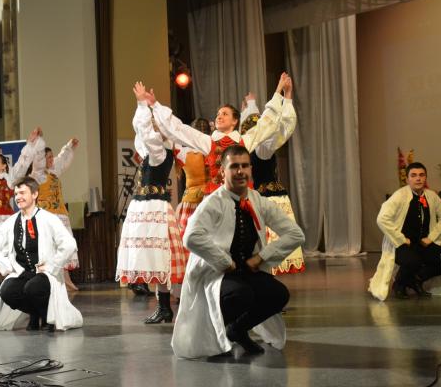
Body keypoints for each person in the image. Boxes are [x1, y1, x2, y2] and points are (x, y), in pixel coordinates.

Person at [172, 145, 304, 358]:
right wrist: (224, 261)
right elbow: (191, 237)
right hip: (217, 273)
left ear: (251, 169)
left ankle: (238, 330)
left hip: (247, 270)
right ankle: (216, 336)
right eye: (234, 166)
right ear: (222, 171)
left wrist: (262, 257)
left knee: (279, 294)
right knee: (240, 295)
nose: (240, 171)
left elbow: (295, 235)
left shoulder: (257, 200)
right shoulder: (212, 202)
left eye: (244, 166)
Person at [152, 73, 296, 195]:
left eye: (225, 114)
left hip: (242, 200)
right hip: (216, 200)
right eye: (218, 114)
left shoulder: (244, 141)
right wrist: (155, 105)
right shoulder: (208, 141)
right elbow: (181, 130)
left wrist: (279, 91)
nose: (219, 117)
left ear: (234, 121)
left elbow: (266, 123)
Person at [115, 82, 187, 324]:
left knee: (158, 258)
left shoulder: (160, 151)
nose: (154, 128)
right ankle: (164, 307)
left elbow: (147, 134)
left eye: (158, 126)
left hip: (153, 207)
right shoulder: (151, 152)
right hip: (145, 205)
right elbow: (141, 134)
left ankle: (165, 307)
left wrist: (144, 106)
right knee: (153, 258)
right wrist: (145, 107)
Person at [0, 177, 83, 332]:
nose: (18, 197)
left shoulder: (49, 218)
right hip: (22, 272)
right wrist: (8, 266)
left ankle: (48, 316)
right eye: (16, 194)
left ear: (34, 194)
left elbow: (69, 244)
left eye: (22, 193)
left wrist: (52, 265)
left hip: (44, 274)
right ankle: (36, 314)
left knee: (32, 288)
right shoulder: (11, 221)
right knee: (7, 291)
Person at [239, 92, 304, 275]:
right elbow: (277, 127)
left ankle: (266, 275)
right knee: (266, 240)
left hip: (268, 198)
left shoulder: (258, 147)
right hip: (265, 198)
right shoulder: (257, 147)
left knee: (269, 240)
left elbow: (278, 127)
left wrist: (251, 106)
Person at [369, 162, 441, 300]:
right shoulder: (399, 195)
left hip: (423, 242)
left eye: (421, 175)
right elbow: (382, 219)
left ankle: (416, 279)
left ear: (426, 178)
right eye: (413, 175)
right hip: (402, 245)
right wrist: (401, 239)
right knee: (413, 261)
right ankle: (399, 285)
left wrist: (432, 237)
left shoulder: (431, 196)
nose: (418, 178)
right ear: (407, 179)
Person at [29, 134, 80, 291]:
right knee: (49, 247)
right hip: (46, 215)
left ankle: (66, 279)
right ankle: (50, 280)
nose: (51, 160)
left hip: (60, 213)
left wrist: (69, 146)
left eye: (51, 157)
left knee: (64, 245)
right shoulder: (36, 175)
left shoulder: (54, 172)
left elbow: (62, 158)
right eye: (48, 157)